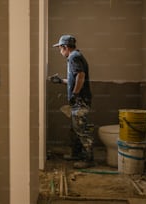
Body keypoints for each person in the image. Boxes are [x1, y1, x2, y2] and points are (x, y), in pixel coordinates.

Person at [49, 34, 94, 166]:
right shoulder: (75, 57)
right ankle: (77, 155)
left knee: (81, 130)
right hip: (79, 100)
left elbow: (81, 76)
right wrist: (60, 81)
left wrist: (74, 94)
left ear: (65, 47)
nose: (59, 51)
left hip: (80, 101)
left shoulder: (74, 57)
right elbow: (75, 79)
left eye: (60, 48)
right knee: (75, 129)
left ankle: (88, 160)